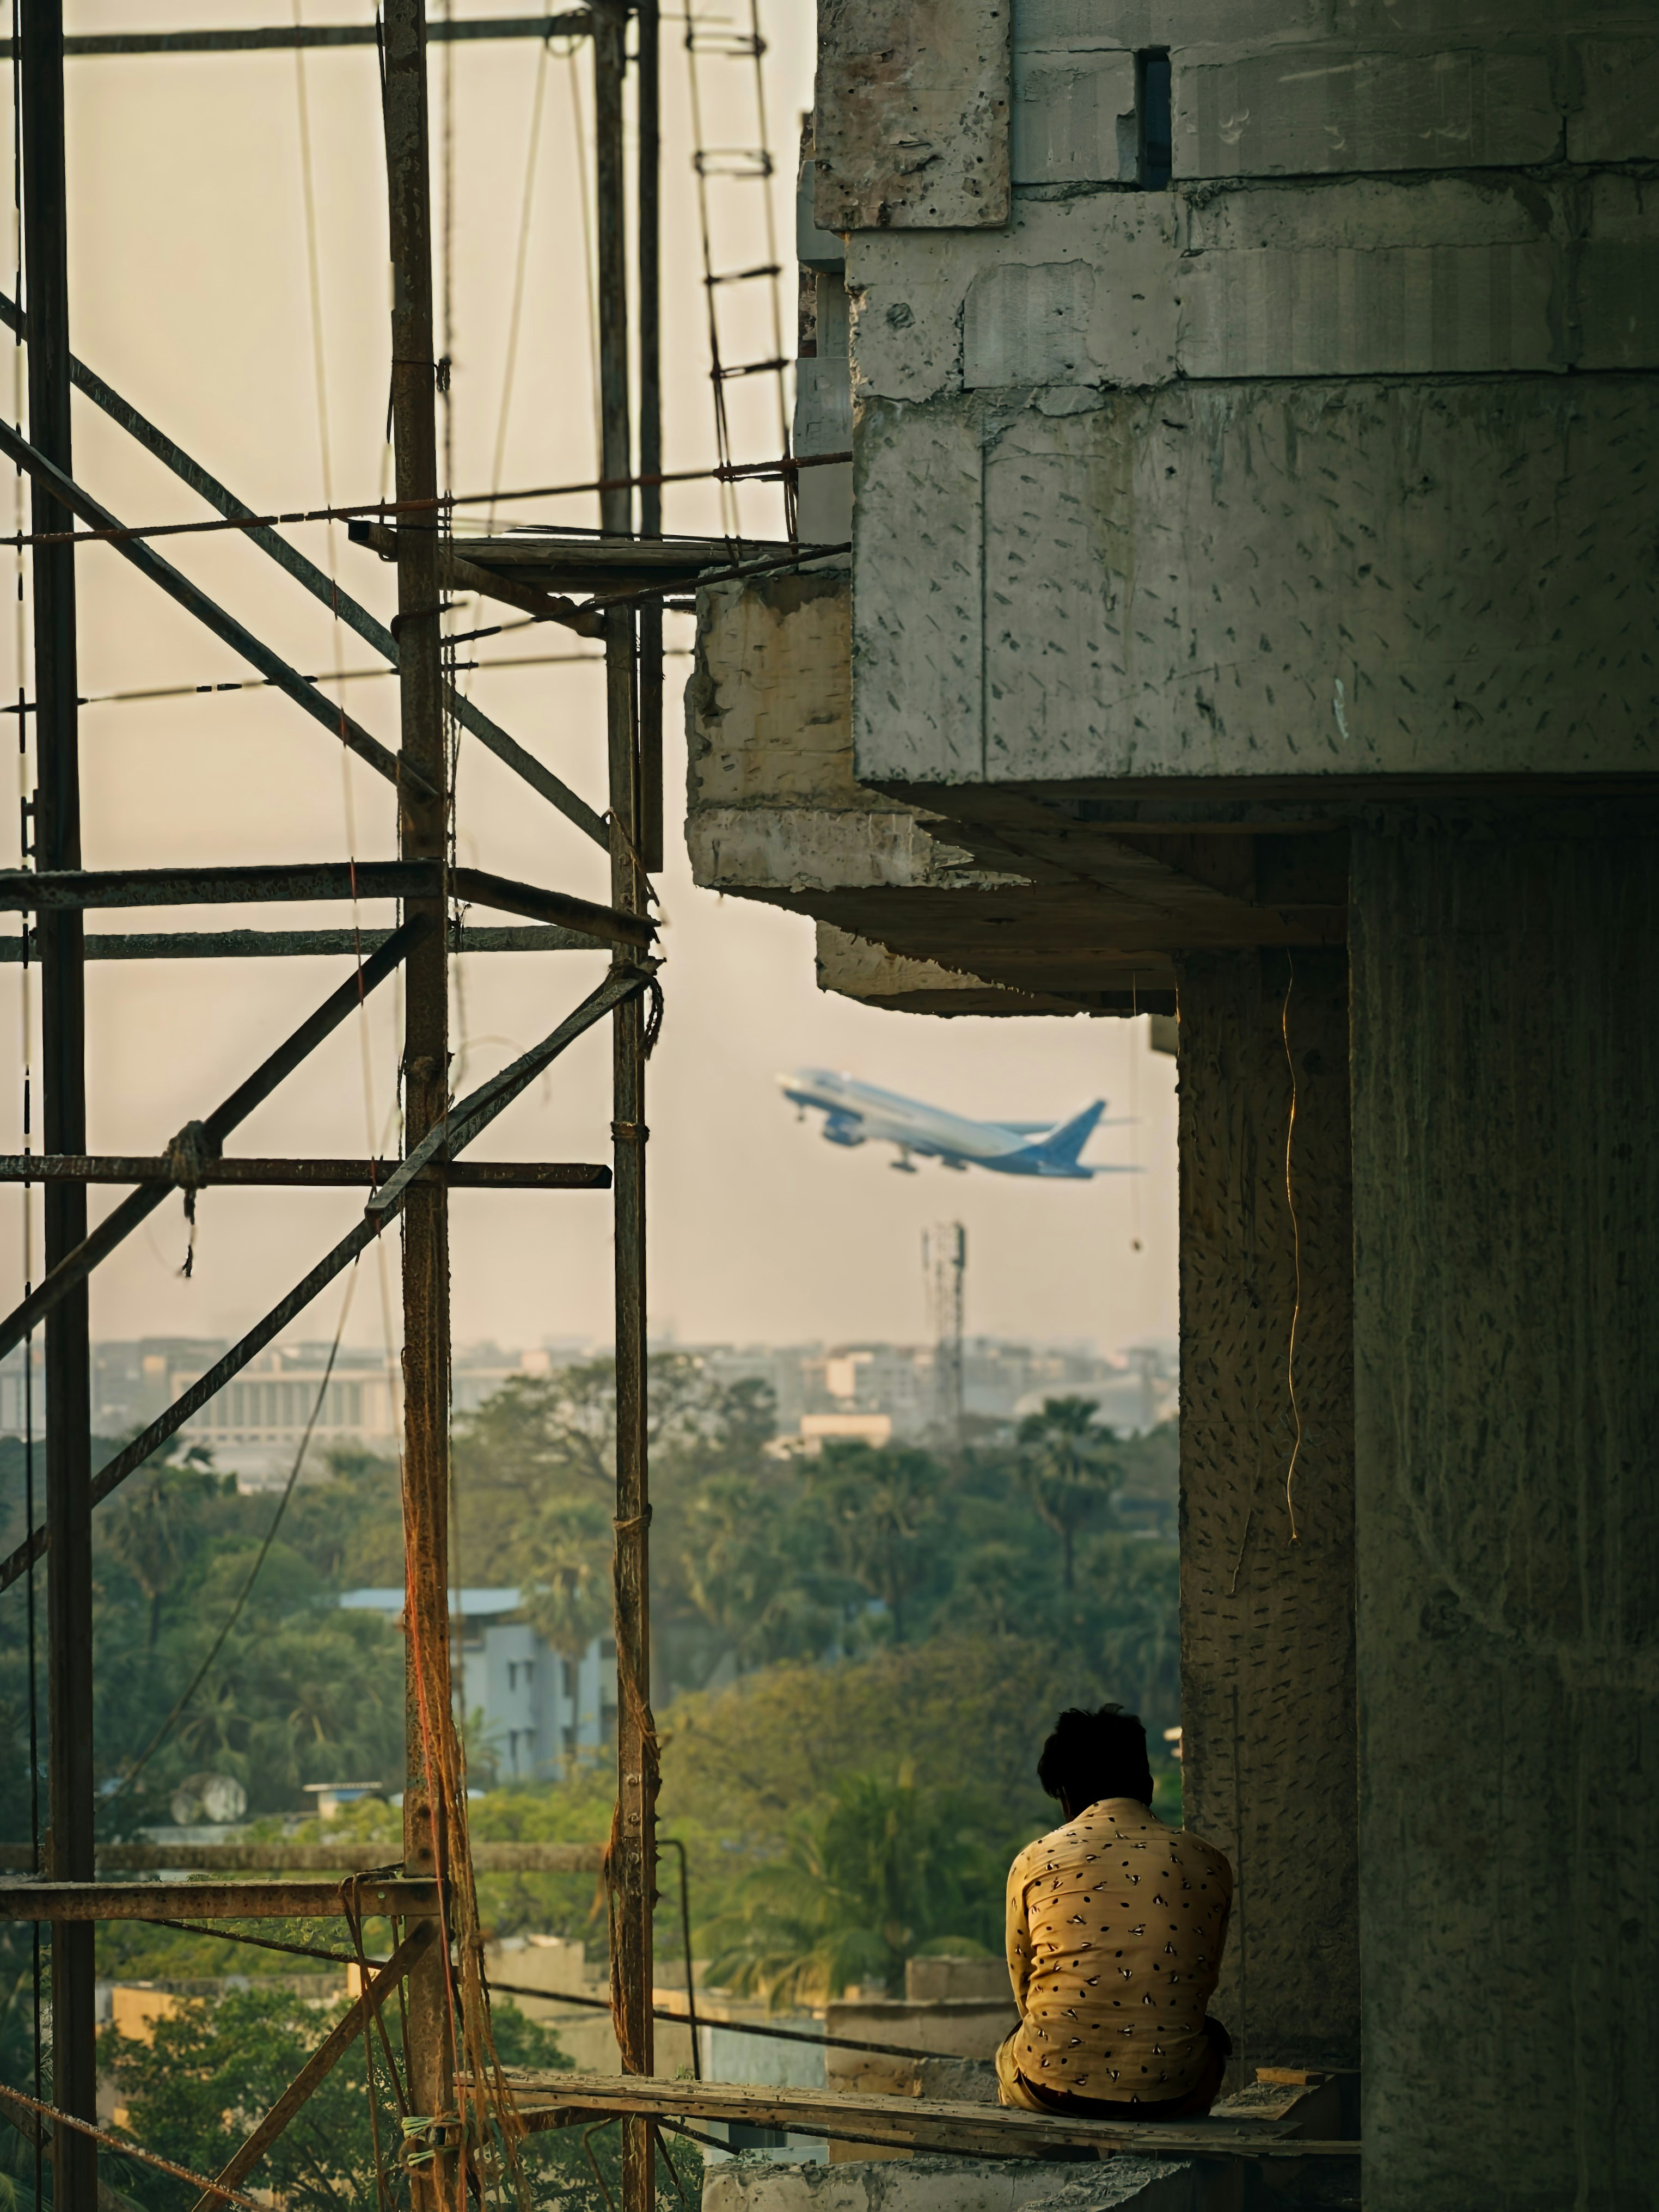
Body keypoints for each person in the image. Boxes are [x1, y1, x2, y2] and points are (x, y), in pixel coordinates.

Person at [996, 1704, 1233, 2120]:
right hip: (1173, 2091)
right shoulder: (1209, 1861)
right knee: (1212, 2040)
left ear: (1066, 1793)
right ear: (1147, 1783)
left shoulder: (1034, 1859)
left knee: (1012, 2046)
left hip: (1049, 2088)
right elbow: (1202, 1978)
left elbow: (1023, 1983)